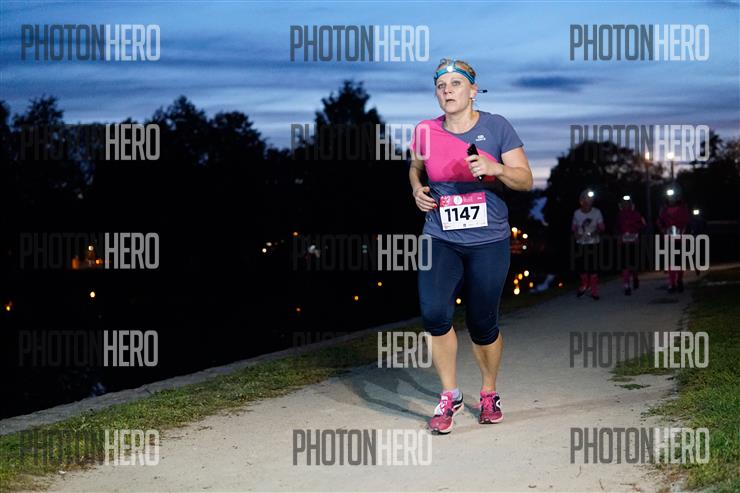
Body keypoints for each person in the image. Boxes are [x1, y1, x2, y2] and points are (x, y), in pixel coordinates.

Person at [408, 58, 532, 434]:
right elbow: (415, 166)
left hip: (488, 240)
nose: (447, 90)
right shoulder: (425, 130)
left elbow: (525, 180)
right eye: (441, 86)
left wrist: (497, 169)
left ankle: (489, 392)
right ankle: (450, 395)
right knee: (434, 314)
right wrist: (416, 188)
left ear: (473, 90)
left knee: (482, 322)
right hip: (440, 235)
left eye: (456, 84)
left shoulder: (497, 126)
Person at [571, 189, 605, 300]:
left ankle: (594, 290)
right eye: (585, 200)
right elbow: (573, 228)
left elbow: (602, 227)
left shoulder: (597, 212)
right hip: (581, 243)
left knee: (593, 267)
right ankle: (584, 285)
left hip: (593, 242)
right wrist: (576, 234)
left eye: (590, 200)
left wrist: (596, 232)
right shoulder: (577, 213)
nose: (588, 202)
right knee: (582, 266)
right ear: (581, 201)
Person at [658, 186, 690, 293]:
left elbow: (686, 222)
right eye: (669, 198)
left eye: (673, 198)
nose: (671, 200)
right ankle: (672, 284)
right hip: (669, 240)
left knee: (679, 263)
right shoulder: (664, 210)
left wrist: (683, 231)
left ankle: (679, 280)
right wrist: (663, 229)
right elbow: (660, 222)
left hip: (680, 239)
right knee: (671, 262)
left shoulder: (682, 209)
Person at [616, 195, 646, 295]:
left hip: (634, 241)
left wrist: (636, 231)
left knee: (633, 264)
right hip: (624, 242)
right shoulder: (619, 215)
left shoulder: (636, 214)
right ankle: (626, 285)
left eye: (627, 203)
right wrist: (618, 237)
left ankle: (635, 277)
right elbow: (616, 228)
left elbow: (643, 225)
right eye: (624, 203)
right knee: (625, 265)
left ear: (630, 204)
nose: (626, 205)